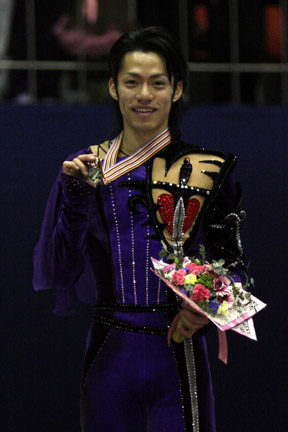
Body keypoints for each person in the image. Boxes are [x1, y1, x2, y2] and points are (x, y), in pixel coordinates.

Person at [33, 26, 248, 432]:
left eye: (157, 83)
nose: (144, 95)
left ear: (178, 89)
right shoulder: (85, 167)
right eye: (132, 82)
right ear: (113, 88)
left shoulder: (209, 170)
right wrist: (76, 199)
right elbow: (60, 273)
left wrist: (206, 308)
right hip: (109, 354)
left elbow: (236, 270)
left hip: (180, 355)